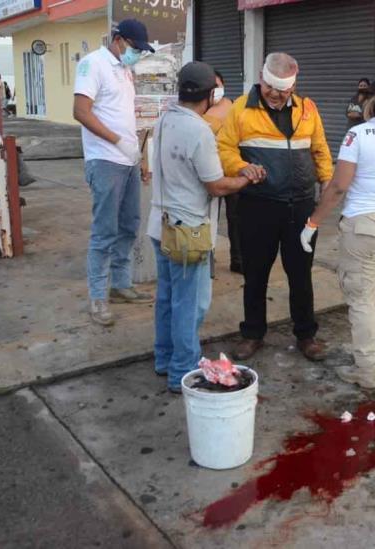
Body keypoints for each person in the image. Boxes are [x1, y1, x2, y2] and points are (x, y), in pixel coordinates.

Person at [300, 77, 375, 389]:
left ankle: (367, 372)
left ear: (367, 100)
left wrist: (313, 222)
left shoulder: (357, 135)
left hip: (363, 227)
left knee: (361, 300)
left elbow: (339, 186)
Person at [148, 61, 261, 392]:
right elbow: (216, 186)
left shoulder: (166, 118)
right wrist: (245, 177)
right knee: (190, 303)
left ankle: (164, 358)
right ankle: (181, 371)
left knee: (168, 297)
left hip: (161, 225)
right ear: (211, 94)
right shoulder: (199, 131)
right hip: (188, 233)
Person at [218, 52, 333, 362]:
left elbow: (320, 148)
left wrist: (327, 183)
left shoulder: (308, 109)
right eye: (270, 86)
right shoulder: (241, 108)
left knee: (301, 274)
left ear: (293, 87)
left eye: (282, 89)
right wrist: (240, 166)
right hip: (258, 206)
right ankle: (252, 334)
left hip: (301, 208)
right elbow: (224, 148)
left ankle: (306, 335)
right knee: (255, 274)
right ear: (261, 78)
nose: (275, 93)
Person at [73, 19, 156, 326]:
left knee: (129, 225)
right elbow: (80, 112)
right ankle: (97, 297)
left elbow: (125, 116)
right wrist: (118, 141)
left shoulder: (124, 69)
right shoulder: (92, 64)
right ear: (119, 40)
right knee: (104, 231)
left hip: (128, 161)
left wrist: (140, 157)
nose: (136, 54)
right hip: (105, 160)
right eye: (135, 48)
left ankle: (120, 284)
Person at [203, 70, 243, 274]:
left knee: (236, 218)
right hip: (208, 173)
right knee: (208, 218)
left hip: (231, 171)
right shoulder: (201, 111)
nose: (216, 90)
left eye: (218, 85)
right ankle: (206, 261)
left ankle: (238, 259)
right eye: (212, 87)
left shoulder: (235, 106)